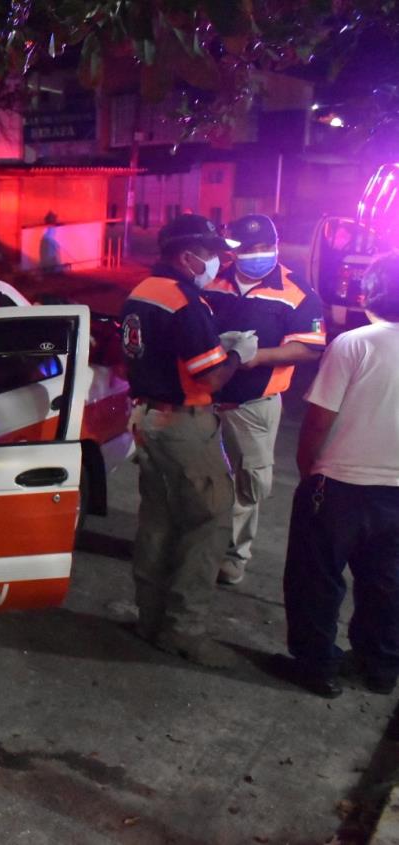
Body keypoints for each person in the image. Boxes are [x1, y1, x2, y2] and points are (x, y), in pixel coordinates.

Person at [120, 214, 255, 668]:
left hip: (147, 418)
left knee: (158, 520)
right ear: (187, 256)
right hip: (183, 425)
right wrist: (239, 353)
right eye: (212, 253)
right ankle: (184, 632)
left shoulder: (142, 291)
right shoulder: (184, 301)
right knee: (208, 523)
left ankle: (149, 620)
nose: (218, 261)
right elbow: (211, 376)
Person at [276, 253, 399, 699]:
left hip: (341, 485)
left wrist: (309, 472)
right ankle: (381, 667)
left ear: (369, 293)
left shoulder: (354, 344)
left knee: (317, 579)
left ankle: (317, 665)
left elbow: (318, 420)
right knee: (387, 583)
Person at [203, 214, 326, 586]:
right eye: (250, 249)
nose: (259, 255)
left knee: (249, 483)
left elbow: (309, 350)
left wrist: (257, 357)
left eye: (265, 248)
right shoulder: (213, 282)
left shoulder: (298, 291)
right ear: (234, 251)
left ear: (276, 245)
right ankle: (201, 546)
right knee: (202, 479)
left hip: (255, 405)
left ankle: (233, 556)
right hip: (203, 398)